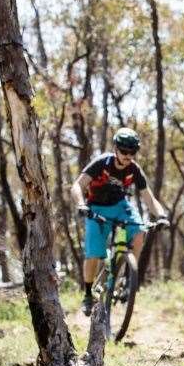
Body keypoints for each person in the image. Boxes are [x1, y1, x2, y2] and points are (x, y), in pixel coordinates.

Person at [71, 127, 167, 315]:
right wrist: (81, 205)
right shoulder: (102, 163)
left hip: (120, 206)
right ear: (116, 149)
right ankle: (88, 294)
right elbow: (77, 185)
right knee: (94, 254)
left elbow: (148, 197)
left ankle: (127, 278)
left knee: (140, 231)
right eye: (124, 151)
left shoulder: (134, 169)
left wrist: (162, 216)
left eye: (132, 152)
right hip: (96, 208)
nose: (128, 156)